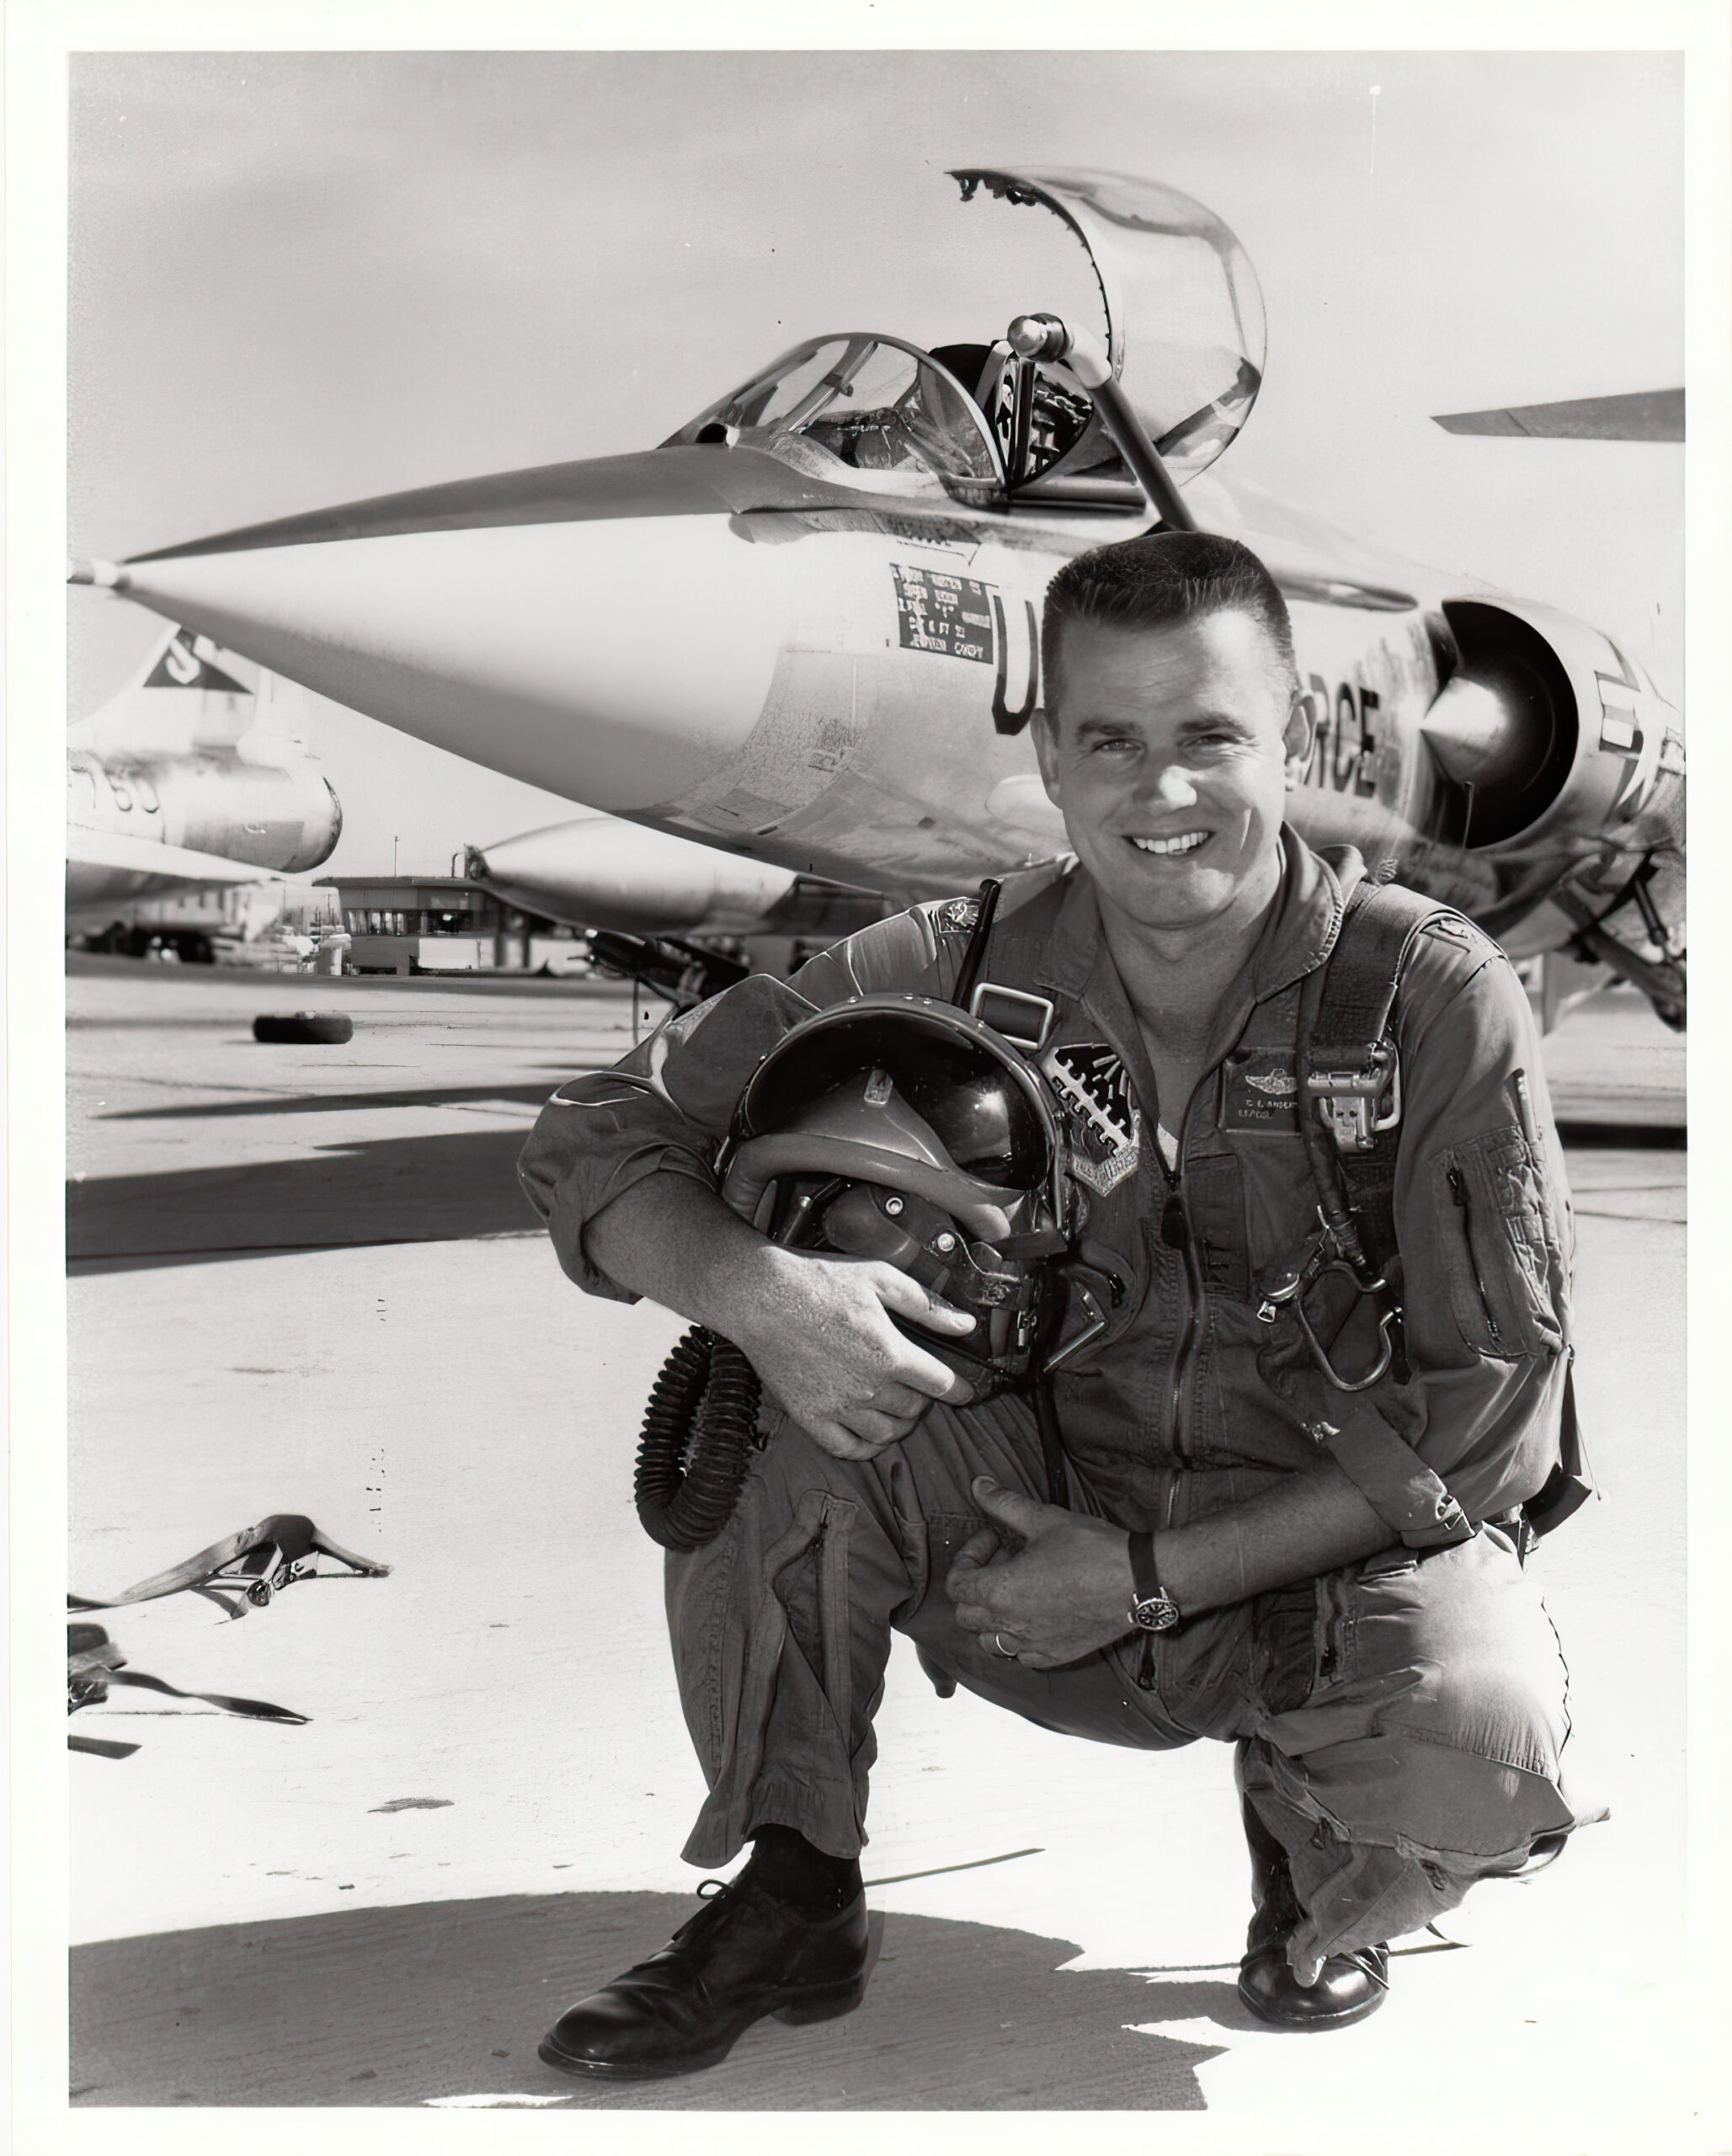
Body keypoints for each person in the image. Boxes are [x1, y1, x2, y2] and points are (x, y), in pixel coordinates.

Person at [517, 531, 1597, 2081]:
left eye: (1209, 738)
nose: (1161, 794)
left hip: (1314, 1551)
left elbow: (1488, 1429)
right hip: (1024, 1530)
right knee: (775, 1383)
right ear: (1048, 752)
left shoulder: (1424, 995)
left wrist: (1147, 1580)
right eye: (1111, 741)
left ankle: (1311, 1855)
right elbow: (594, 1134)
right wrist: (764, 1292)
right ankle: (795, 1885)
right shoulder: (950, 963)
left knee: (1475, 1742)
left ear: (1286, 733)